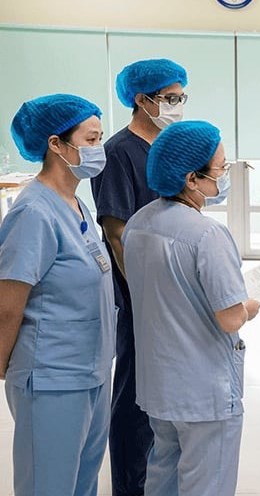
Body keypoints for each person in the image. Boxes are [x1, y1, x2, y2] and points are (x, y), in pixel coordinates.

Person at [122, 120, 260, 496]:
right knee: (207, 483)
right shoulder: (207, 234)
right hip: (204, 390)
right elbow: (230, 317)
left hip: (160, 384)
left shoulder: (138, 224)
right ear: (192, 179)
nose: (224, 176)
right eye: (220, 169)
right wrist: (249, 306)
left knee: (163, 472)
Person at [0, 94, 115, 495]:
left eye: (100, 138)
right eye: (91, 139)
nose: (98, 149)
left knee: (82, 483)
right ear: (55, 144)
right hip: (52, 377)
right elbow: (7, 305)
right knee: (48, 486)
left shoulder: (75, 203)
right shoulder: (34, 212)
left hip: (91, 370)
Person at [90, 57, 188, 496]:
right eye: (170, 98)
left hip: (169, 289)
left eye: (181, 97)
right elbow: (117, 233)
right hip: (139, 295)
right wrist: (147, 297)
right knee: (134, 394)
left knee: (160, 393)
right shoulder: (118, 152)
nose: (177, 105)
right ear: (142, 99)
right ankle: (129, 486)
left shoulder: (165, 147)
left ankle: (157, 480)